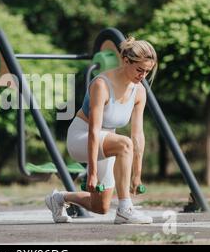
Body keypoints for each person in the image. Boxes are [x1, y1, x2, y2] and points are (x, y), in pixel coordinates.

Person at [45, 37, 158, 224]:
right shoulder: (102, 84)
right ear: (126, 61)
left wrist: (137, 175)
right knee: (124, 144)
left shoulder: (139, 92)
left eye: (147, 71)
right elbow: (94, 131)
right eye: (140, 70)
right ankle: (125, 209)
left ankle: (58, 198)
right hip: (82, 137)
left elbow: (138, 135)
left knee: (101, 206)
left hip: (108, 142)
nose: (143, 75)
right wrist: (92, 173)